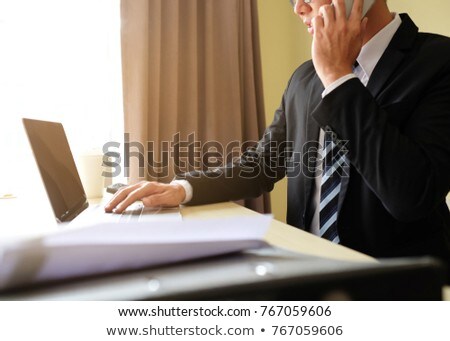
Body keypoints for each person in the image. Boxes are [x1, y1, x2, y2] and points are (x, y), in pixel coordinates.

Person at [106, 0, 450, 275]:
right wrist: (182, 189)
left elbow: (411, 196)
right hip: (307, 275)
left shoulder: (439, 62)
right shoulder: (304, 78)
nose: (298, 7)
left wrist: (338, 77)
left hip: (396, 288)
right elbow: (261, 165)